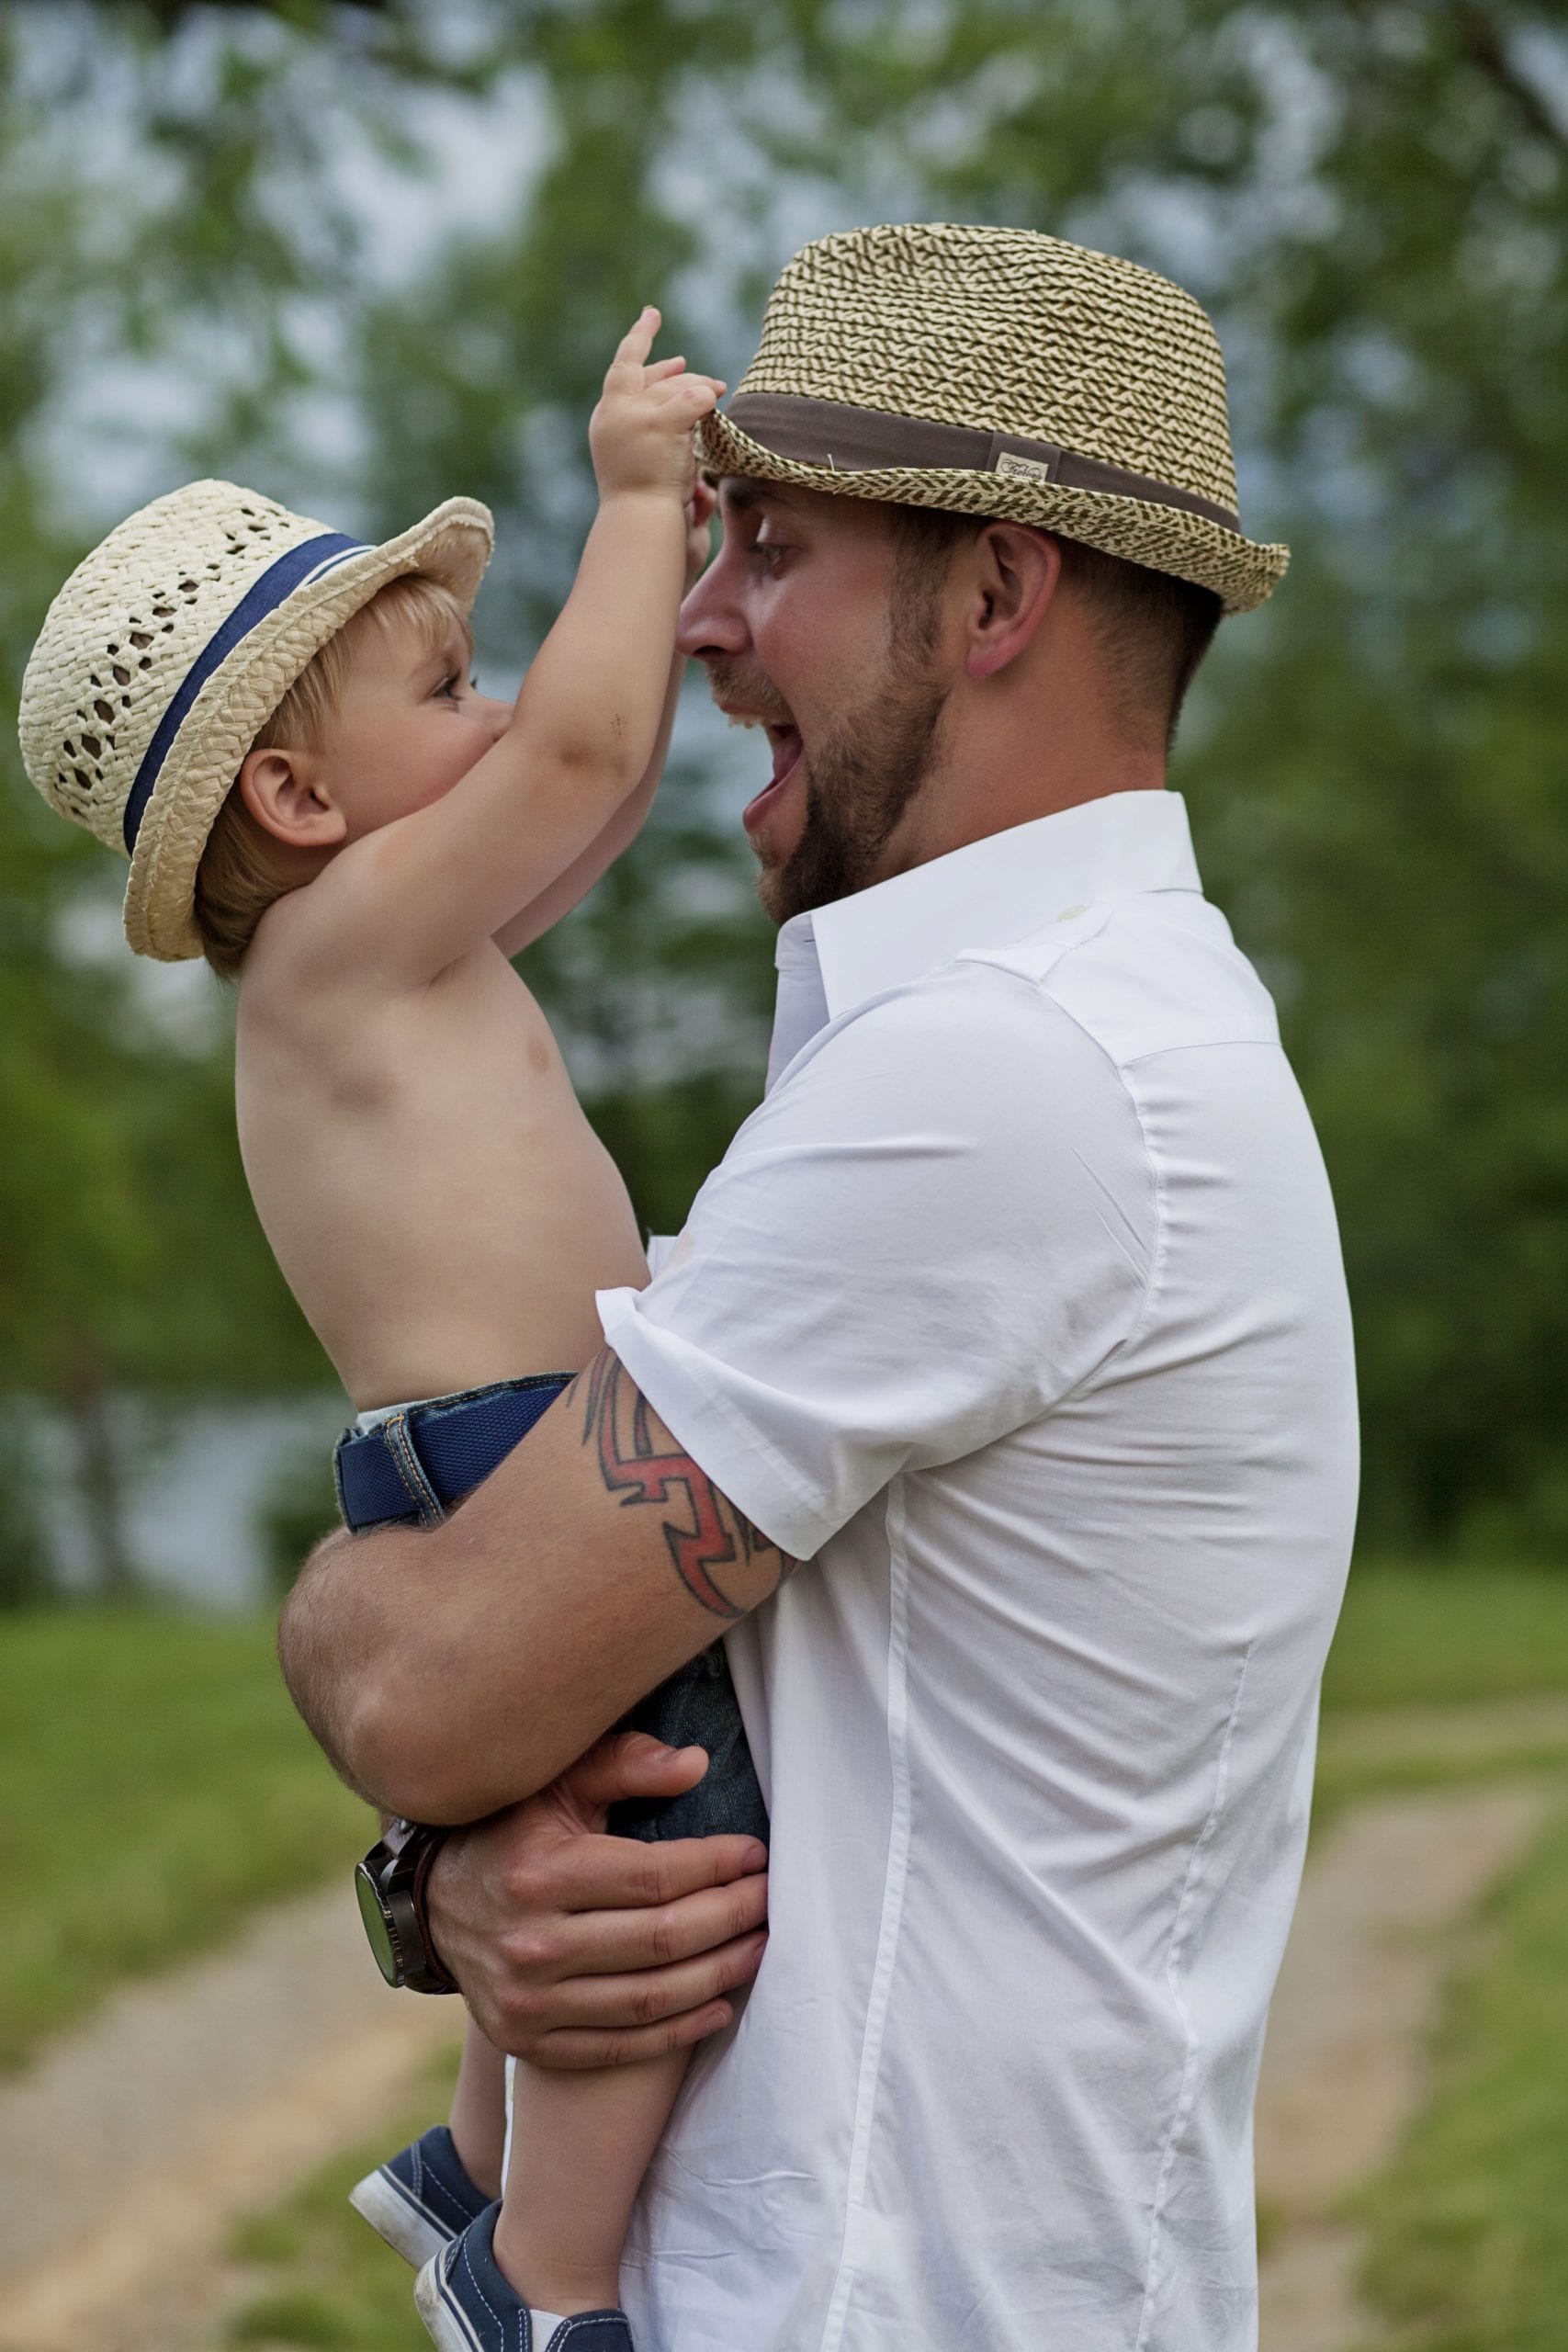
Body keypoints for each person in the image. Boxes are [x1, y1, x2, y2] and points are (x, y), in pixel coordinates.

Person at [293, 220, 1357, 2352]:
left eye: (764, 544)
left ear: (992, 593)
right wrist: (470, 1889)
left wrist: (397, 1718)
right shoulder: (1006, 1042)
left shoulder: (1007, 1077)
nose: (694, 618)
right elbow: (534, 1691)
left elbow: (431, 1682)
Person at [18, 312, 773, 2352]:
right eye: (449, 684)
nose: (506, 698)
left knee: (560, 1817)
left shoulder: (372, 942)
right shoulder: (353, 943)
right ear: (291, 784)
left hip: (477, 1443)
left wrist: (589, 685)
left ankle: (464, 2165)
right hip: (520, 1436)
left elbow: (583, 806)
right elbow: (589, 757)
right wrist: (635, 500)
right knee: (654, 1840)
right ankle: (552, 2277)